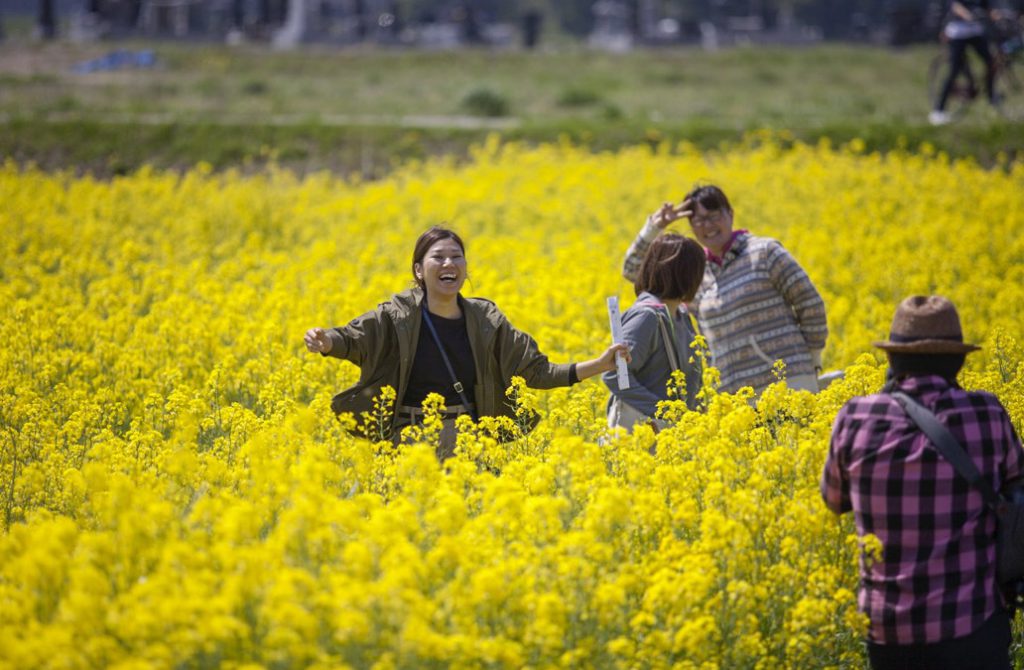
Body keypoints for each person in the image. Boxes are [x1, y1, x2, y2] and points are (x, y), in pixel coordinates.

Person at [821, 295, 1024, 670]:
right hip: (974, 622)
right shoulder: (988, 413)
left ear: (892, 359)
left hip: (889, 629)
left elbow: (833, 499)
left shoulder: (855, 417)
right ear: (959, 360)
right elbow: (1017, 486)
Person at [305, 225, 629, 459]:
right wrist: (326, 341)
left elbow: (537, 372)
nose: (449, 264)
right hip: (409, 442)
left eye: (456, 257)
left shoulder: (486, 321)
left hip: (469, 442)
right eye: (439, 258)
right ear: (419, 270)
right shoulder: (397, 316)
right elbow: (353, 338)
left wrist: (600, 365)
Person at [623, 184, 827, 396]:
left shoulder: (765, 252)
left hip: (789, 384)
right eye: (698, 220)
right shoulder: (694, 270)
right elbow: (633, 270)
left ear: (730, 213)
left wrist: (812, 358)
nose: (707, 225)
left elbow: (809, 302)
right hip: (734, 398)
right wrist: (654, 228)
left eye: (713, 215)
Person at [604, 233, 706, 432]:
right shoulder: (647, 317)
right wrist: (664, 412)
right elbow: (615, 374)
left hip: (679, 434)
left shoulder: (681, 314)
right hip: (647, 434)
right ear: (684, 274)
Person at [930, 0, 1000, 126]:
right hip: (957, 33)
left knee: (991, 63)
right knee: (954, 70)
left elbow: (987, 7)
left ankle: (992, 100)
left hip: (975, 31)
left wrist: (995, 15)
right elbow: (955, 6)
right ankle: (938, 111)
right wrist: (966, 14)